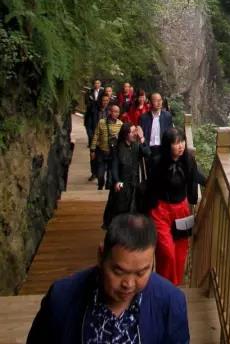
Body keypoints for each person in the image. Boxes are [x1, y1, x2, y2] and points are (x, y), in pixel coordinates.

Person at [26, 212, 189, 344]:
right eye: (119, 272)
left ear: (152, 261)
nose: (129, 284)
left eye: (141, 273)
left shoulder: (171, 303)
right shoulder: (61, 297)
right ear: (101, 256)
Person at [146, 128, 205, 285]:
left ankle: (175, 286)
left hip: (182, 210)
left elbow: (197, 176)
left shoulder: (188, 160)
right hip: (161, 211)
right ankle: (163, 285)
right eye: (176, 143)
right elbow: (149, 186)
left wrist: (209, 182)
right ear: (167, 145)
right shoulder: (158, 162)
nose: (181, 146)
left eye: (182, 141)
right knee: (167, 253)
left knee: (180, 253)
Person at [103, 123, 146, 229]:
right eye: (132, 132)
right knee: (119, 211)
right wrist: (117, 181)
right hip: (122, 184)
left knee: (132, 211)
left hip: (133, 184)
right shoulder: (118, 148)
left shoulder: (136, 146)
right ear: (126, 134)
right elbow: (114, 166)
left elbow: (147, 153)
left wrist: (142, 138)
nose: (134, 134)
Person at [91, 103, 123, 191]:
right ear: (110, 112)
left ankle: (106, 193)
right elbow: (96, 136)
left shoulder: (120, 124)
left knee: (111, 176)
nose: (116, 114)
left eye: (118, 112)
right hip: (102, 151)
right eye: (114, 111)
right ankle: (100, 185)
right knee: (100, 175)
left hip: (113, 153)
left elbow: (122, 139)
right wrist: (92, 150)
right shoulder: (101, 122)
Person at [139, 92, 173, 170]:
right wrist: (146, 150)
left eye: (160, 100)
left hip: (162, 149)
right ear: (150, 103)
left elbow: (170, 133)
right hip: (149, 150)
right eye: (155, 100)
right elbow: (141, 137)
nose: (159, 103)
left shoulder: (167, 116)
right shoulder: (143, 118)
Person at [87, 91, 111, 182]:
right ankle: (94, 173)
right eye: (103, 100)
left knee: (103, 158)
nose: (105, 102)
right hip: (94, 136)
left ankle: (102, 174)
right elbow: (88, 123)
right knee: (93, 156)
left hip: (105, 138)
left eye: (107, 100)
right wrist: (90, 135)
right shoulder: (94, 109)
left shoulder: (109, 111)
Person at [84, 79, 103, 145]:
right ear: (93, 84)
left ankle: (93, 142)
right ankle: (91, 141)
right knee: (88, 126)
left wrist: (94, 101)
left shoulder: (102, 93)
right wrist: (94, 102)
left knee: (95, 127)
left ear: (100, 84)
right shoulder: (89, 91)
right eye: (95, 83)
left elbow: (102, 103)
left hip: (98, 112)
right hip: (90, 112)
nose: (97, 84)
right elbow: (86, 101)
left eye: (98, 83)